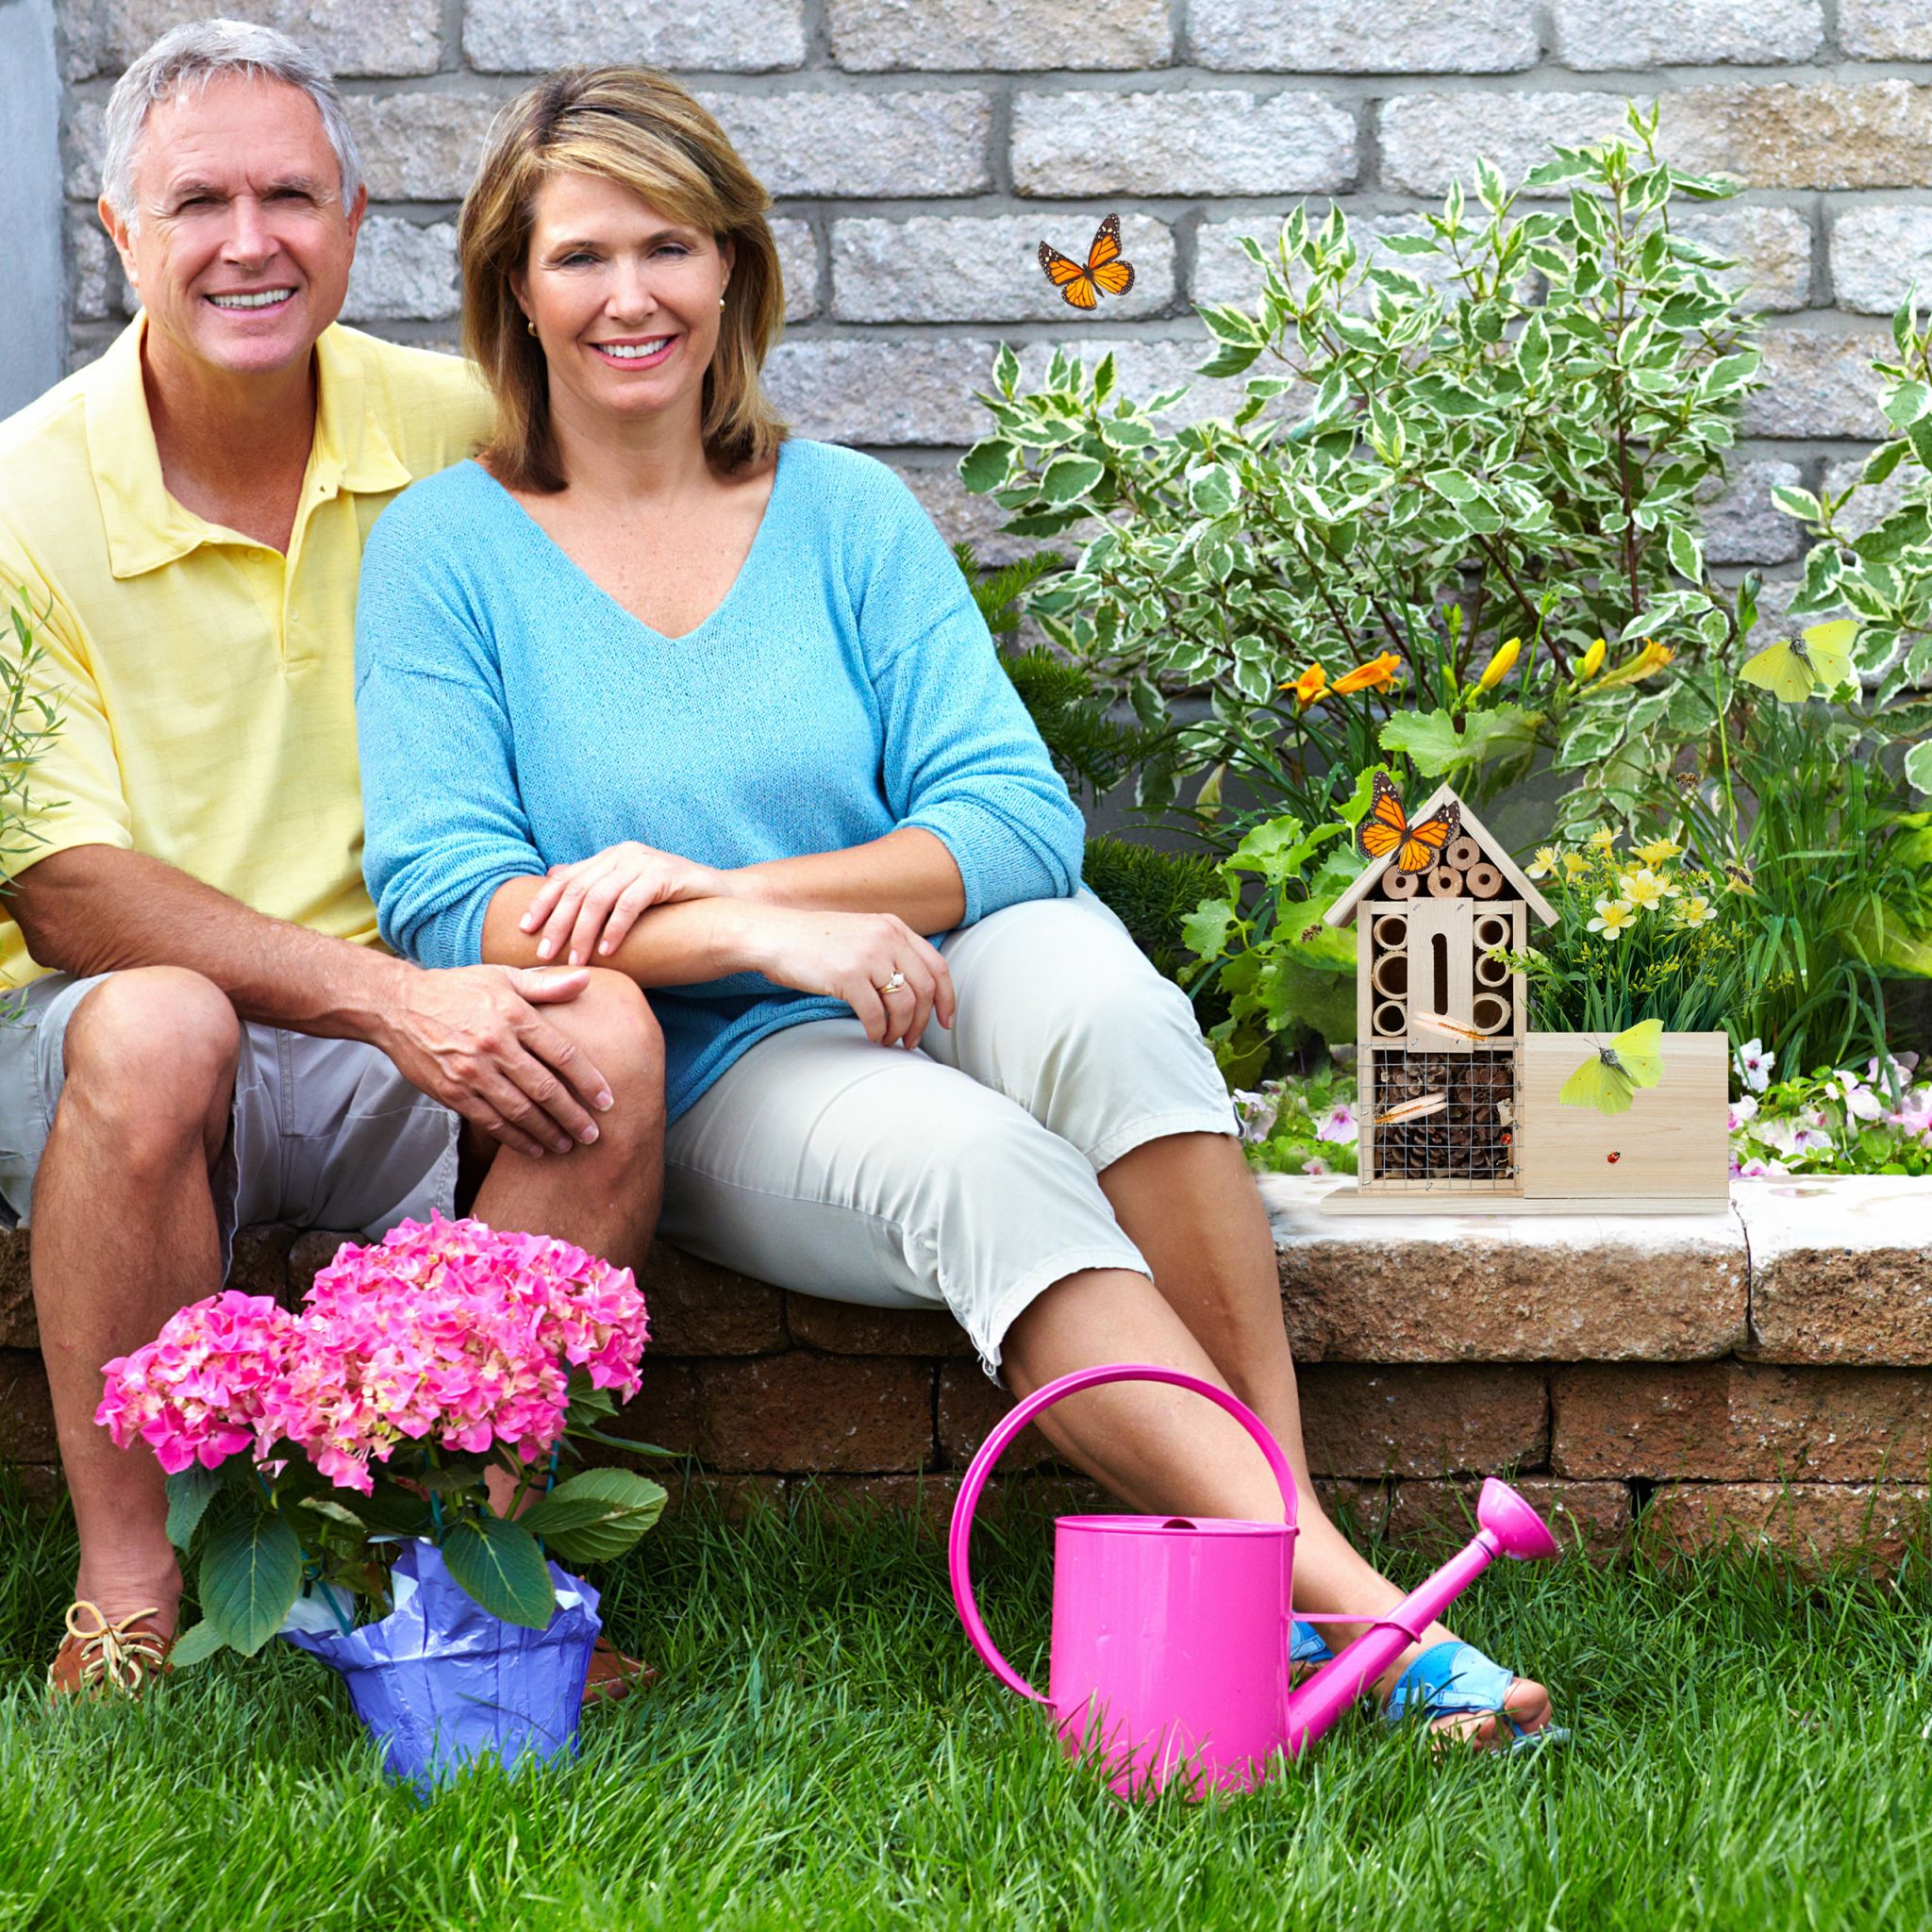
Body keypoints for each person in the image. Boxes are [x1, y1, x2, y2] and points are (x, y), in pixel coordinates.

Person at [355, 65, 1558, 1749]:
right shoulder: (446, 552)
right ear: (514, 290)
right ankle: (1369, 1613)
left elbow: (1013, 820)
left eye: (671, 246)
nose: (632, 297)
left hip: (918, 969)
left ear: (733, 268)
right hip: (710, 1060)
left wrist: (746, 884)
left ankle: (1274, 1574)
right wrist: (753, 939)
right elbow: (452, 903)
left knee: (1104, 997)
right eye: (582, 257)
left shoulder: (844, 513)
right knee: (978, 1161)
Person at [0, 22, 663, 1697]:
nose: (252, 242)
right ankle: (134, 1589)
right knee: (161, 1021)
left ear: (355, 221)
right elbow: (61, 887)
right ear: (119, 231)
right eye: (197, 201)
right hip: (121, 1046)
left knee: (603, 1029)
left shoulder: (463, 432)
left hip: (409, 1021)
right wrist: (384, 998)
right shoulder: (18, 500)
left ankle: (466, 1582)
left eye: (291, 196)